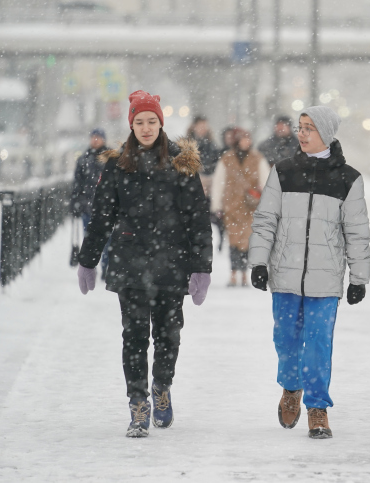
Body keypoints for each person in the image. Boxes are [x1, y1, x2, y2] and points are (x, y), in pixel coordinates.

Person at [76, 90, 213, 438]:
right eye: (140, 122)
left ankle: (161, 387)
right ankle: (138, 403)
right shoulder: (118, 164)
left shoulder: (182, 162)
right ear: (131, 125)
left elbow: (197, 217)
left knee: (169, 336)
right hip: (130, 265)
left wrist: (202, 267)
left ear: (161, 123)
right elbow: (102, 216)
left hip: (172, 263)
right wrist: (88, 261)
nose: (146, 127)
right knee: (134, 337)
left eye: (152, 121)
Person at [248, 106, 370, 439]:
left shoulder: (348, 179)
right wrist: (259, 261)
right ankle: (291, 387)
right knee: (286, 341)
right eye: (300, 127)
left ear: (327, 135)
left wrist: (358, 278)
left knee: (318, 344)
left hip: (326, 279)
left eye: (309, 128)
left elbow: (357, 232)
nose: (301, 134)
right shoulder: (283, 172)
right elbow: (265, 221)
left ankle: (318, 408)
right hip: (285, 276)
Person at [211, 128, 270, 287]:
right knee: (233, 242)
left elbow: (266, 181)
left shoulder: (258, 158)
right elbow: (218, 182)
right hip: (231, 207)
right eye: (243, 139)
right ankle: (233, 274)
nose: (246, 142)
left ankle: (244, 274)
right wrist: (216, 204)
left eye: (248, 138)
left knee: (247, 242)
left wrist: (264, 200)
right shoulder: (227, 159)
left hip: (251, 207)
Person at [71, 128, 111, 278]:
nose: (95, 140)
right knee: (90, 239)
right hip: (88, 206)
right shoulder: (83, 159)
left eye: (98, 137)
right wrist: (75, 203)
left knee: (107, 240)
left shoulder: (110, 158)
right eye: (93, 137)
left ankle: (105, 267)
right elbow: (77, 184)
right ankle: (91, 267)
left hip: (107, 207)